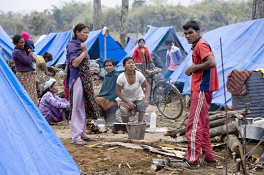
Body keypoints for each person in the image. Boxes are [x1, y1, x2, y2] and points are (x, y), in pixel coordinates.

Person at [175, 21, 219, 169]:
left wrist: (194, 68)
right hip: (203, 89)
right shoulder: (198, 44)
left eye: (190, 33)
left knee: (193, 125)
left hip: (201, 88)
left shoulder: (201, 45)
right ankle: (209, 158)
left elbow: (212, 62)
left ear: (198, 32)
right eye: (185, 33)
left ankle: (192, 160)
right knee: (204, 125)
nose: (187, 36)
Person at [66, 23, 100, 146]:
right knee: (76, 106)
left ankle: (82, 132)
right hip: (77, 78)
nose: (86, 35)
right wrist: (84, 51)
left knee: (83, 105)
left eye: (87, 33)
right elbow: (74, 63)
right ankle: (75, 136)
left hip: (85, 79)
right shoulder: (72, 45)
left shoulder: (80, 45)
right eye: (84, 32)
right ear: (77, 32)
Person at [116, 57, 150, 123]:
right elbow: (118, 92)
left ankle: (140, 123)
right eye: (129, 63)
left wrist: (146, 99)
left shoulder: (139, 74)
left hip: (137, 97)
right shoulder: (121, 77)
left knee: (142, 106)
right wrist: (128, 101)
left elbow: (147, 86)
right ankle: (126, 125)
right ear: (124, 66)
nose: (131, 64)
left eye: (132, 63)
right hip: (125, 99)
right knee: (123, 111)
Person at [12, 34, 38, 105]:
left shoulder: (22, 50)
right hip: (24, 76)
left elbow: (32, 60)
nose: (23, 44)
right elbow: (28, 61)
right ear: (15, 43)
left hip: (28, 76)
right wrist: (30, 53)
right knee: (28, 96)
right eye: (21, 43)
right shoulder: (17, 52)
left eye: (23, 42)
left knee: (32, 95)